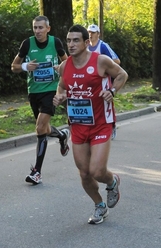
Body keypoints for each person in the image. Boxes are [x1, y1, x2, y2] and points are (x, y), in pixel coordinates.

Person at [53, 25, 128, 224]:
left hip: (101, 123)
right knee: (85, 173)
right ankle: (99, 205)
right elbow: (62, 86)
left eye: (76, 40)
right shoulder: (65, 66)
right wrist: (59, 97)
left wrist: (111, 91)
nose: (71, 44)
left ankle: (112, 182)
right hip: (78, 125)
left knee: (97, 171)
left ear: (87, 43)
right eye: (68, 40)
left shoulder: (101, 61)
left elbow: (122, 75)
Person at [11, 16, 70, 185]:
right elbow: (13, 66)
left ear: (48, 29)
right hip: (34, 91)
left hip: (51, 91)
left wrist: (60, 68)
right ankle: (62, 135)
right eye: (35, 28)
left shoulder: (55, 42)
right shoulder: (27, 44)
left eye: (40, 28)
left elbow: (68, 63)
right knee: (43, 128)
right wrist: (25, 67)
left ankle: (37, 172)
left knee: (39, 128)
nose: (37, 31)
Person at [87, 24, 121, 140]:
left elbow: (117, 61)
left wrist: (104, 67)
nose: (90, 35)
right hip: (91, 81)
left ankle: (112, 126)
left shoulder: (103, 46)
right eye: (89, 32)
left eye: (93, 32)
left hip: (104, 80)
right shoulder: (85, 46)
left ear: (98, 34)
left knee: (106, 102)